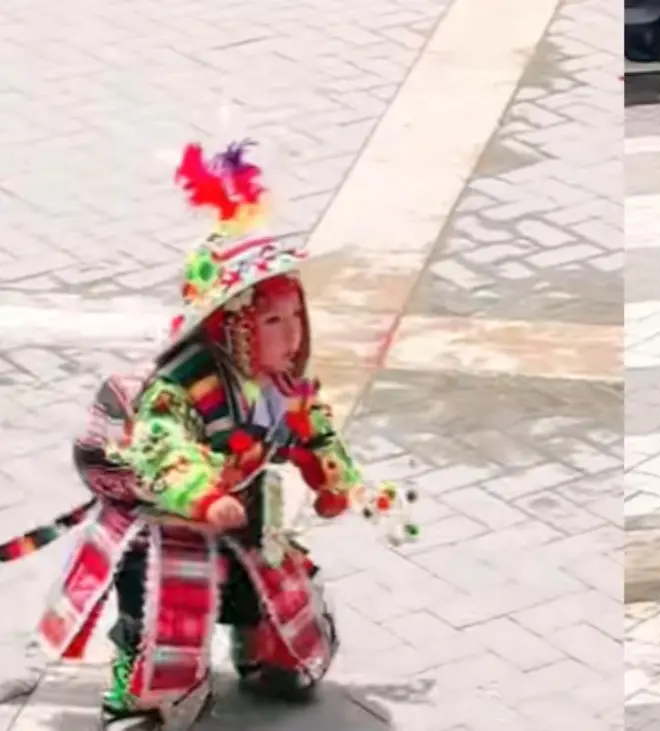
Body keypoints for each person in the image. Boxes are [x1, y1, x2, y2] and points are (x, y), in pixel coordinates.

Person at [0, 139, 415, 729]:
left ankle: (267, 656)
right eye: (273, 320)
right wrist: (201, 494)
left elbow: (314, 434)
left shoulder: (282, 385)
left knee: (279, 585)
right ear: (231, 326)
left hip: (244, 507)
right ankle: (143, 692)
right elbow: (161, 444)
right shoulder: (184, 385)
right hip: (167, 522)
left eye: (295, 316)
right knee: (163, 612)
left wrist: (332, 478)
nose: (291, 334)